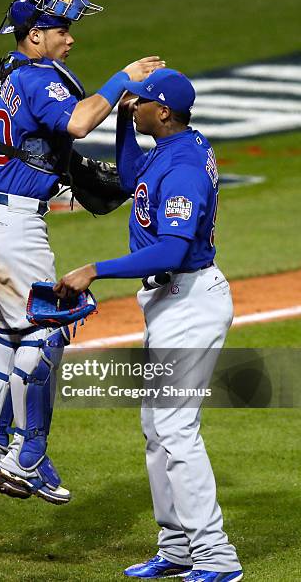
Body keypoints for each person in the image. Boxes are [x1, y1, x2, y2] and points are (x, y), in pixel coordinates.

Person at [0, 0, 164, 506]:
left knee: (10, 333)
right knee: (47, 334)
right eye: (61, 28)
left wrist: (60, 167)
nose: (70, 38)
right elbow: (76, 121)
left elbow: (42, 139)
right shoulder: (39, 76)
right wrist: (123, 78)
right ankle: (27, 457)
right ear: (34, 35)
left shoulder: (10, 72)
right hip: (13, 225)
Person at [54, 68, 243, 580]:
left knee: (177, 429)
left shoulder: (182, 169)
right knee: (156, 428)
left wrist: (96, 268)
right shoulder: (172, 143)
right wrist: (120, 125)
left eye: (139, 102)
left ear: (162, 112)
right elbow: (135, 173)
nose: (132, 105)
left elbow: (172, 249)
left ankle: (217, 557)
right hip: (170, 303)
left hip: (189, 301)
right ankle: (177, 546)